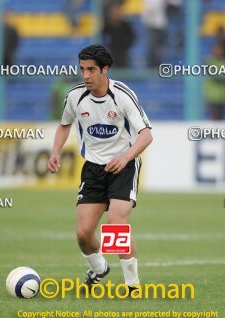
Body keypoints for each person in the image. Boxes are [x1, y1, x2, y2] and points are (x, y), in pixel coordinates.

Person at [47, 45, 153, 295]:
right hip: (93, 168)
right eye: (82, 69)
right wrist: (55, 152)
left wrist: (125, 156)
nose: (85, 75)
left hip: (124, 166)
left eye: (91, 69)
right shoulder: (75, 96)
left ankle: (132, 287)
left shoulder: (123, 95)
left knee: (115, 224)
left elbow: (146, 135)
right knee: (84, 233)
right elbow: (64, 125)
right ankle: (99, 268)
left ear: (105, 69)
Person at [203, 43, 225, 120]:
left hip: (223, 95)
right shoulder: (208, 61)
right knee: (215, 118)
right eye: (217, 50)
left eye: (220, 50)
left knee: (221, 118)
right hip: (212, 95)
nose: (218, 52)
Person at [102, 2, 135, 68]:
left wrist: (125, 45)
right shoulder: (106, 26)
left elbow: (132, 38)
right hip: (110, 54)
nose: (116, 14)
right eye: (114, 12)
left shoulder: (126, 26)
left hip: (123, 54)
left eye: (117, 11)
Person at [142, 0, 167, 68]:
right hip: (150, 26)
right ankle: (152, 66)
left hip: (160, 25)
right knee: (152, 47)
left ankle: (157, 66)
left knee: (159, 48)